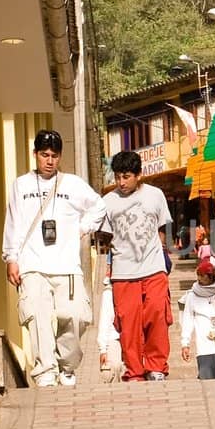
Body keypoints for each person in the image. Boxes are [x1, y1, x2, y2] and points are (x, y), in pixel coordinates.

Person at [1, 128, 102, 388]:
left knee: (77, 316)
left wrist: (83, 227)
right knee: (37, 317)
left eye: (54, 155)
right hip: (32, 264)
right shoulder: (21, 185)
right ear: (35, 154)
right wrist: (11, 258)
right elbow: (12, 223)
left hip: (67, 265)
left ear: (60, 157)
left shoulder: (72, 184)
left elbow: (98, 206)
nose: (49, 160)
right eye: (44, 154)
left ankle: (66, 365)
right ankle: (45, 371)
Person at [82, 151, 174, 382]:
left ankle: (156, 367)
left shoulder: (156, 195)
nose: (121, 183)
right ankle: (135, 371)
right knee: (129, 324)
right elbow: (104, 236)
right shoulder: (108, 202)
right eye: (118, 177)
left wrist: (162, 256)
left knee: (156, 313)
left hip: (154, 268)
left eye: (126, 177)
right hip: (123, 273)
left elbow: (162, 229)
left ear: (138, 175)